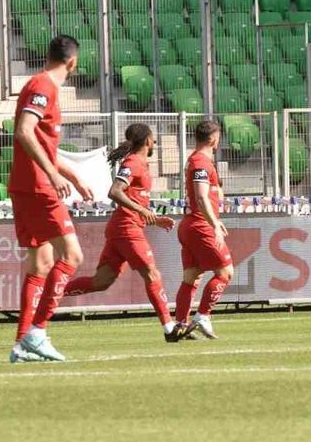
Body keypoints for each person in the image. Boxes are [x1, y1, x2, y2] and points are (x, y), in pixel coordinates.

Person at [8, 35, 96, 363]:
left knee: (42, 263)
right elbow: (24, 131)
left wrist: (72, 175)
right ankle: (38, 332)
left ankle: (21, 344)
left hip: (27, 184)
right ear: (73, 62)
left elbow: (41, 145)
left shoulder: (40, 86)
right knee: (72, 256)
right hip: (37, 186)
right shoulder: (44, 88)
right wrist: (54, 175)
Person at [63, 124, 181, 341]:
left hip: (124, 227)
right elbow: (115, 191)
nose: (154, 142)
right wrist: (143, 211)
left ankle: (50, 294)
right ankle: (169, 328)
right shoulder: (134, 162)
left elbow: (135, 200)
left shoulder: (140, 164)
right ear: (147, 141)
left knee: (101, 282)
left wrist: (153, 219)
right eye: (153, 139)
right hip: (127, 229)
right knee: (152, 274)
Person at [173, 119, 232, 340]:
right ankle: (203, 316)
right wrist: (214, 223)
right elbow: (200, 196)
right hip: (200, 225)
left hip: (190, 224)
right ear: (213, 139)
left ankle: (180, 325)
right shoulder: (201, 162)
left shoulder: (196, 161)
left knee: (191, 276)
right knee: (225, 272)